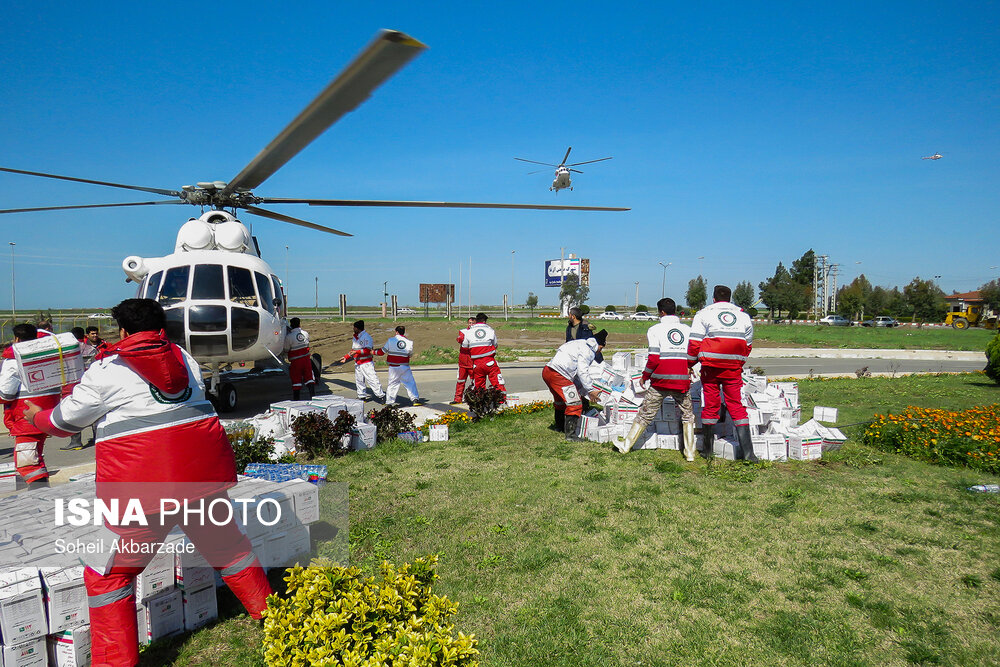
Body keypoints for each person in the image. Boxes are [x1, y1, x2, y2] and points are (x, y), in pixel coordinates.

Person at [25, 298, 272, 666]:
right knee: (229, 548)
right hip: (202, 478)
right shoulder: (184, 358)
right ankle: (273, 617)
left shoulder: (107, 367)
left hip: (142, 489)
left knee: (107, 574)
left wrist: (38, 416)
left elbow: (67, 421)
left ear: (122, 332)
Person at [617, 298, 696, 458]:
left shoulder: (654, 330)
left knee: (646, 413)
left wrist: (645, 376)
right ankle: (690, 453)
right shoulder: (687, 330)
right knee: (687, 415)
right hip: (681, 380)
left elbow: (653, 358)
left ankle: (626, 446)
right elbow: (692, 354)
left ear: (661, 312)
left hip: (660, 381)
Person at [687, 284, 757, 462]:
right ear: (730, 298)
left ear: (714, 298)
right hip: (733, 368)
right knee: (736, 405)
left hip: (710, 367)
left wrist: (690, 363)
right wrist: (738, 361)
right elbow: (748, 345)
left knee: (711, 405)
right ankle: (749, 453)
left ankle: (708, 450)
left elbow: (694, 343)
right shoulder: (743, 316)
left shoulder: (703, 314)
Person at [0, 323, 62, 486]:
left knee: (28, 463)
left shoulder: (12, 360)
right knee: (35, 456)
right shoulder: (48, 355)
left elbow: (6, 394)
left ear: (16, 339)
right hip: (47, 413)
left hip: (25, 416)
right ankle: (41, 490)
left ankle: (40, 494)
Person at [542, 330, 607, 439]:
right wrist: (591, 390)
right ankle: (571, 435)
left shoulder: (580, 343)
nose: (599, 352)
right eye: (601, 348)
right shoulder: (589, 351)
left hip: (548, 371)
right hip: (559, 375)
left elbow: (576, 374)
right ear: (598, 345)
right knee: (575, 403)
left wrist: (583, 389)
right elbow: (582, 372)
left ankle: (559, 426)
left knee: (560, 401)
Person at [375, 325, 424, 405]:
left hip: (393, 367)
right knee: (410, 383)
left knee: (392, 384)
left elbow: (381, 352)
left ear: (396, 332)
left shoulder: (391, 340)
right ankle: (415, 399)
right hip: (404, 367)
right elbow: (410, 354)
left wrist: (373, 352)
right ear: (404, 332)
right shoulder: (409, 342)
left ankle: (389, 402)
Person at [461, 313, 506, 395]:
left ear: (476, 321)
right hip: (490, 361)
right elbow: (495, 344)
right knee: (497, 382)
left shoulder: (469, 332)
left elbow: (464, 346)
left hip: (476, 363)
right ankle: (501, 401)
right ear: (485, 321)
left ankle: (480, 404)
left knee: (479, 386)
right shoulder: (490, 330)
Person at [340, 320, 385, 401]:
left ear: (357, 328)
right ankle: (362, 396)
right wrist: (346, 357)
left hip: (366, 363)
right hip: (358, 363)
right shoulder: (355, 337)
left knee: (372, 379)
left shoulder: (367, 337)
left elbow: (368, 350)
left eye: (354, 327)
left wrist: (356, 352)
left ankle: (381, 396)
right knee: (359, 380)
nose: (353, 329)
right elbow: (353, 350)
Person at [283, 317, 315, 400]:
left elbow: (286, 349)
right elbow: (307, 344)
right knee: (309, 378)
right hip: (306, 360)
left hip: (296, 362)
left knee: (296, 380)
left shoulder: (289, 337)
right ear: (299, 324)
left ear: (291, 325)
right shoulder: (305, 333)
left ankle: (296, 400)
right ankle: (313, 397)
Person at [451, 317, 477, 405]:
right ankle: (457, 399)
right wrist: (460, 339)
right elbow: (459, 339)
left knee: (475, 381)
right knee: (460, 380)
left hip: (472, 360)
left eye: (473, 323)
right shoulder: (463, 331)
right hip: (462, 360)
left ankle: (476, 398)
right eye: (470, 323)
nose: (471, 325)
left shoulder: (477, 333)